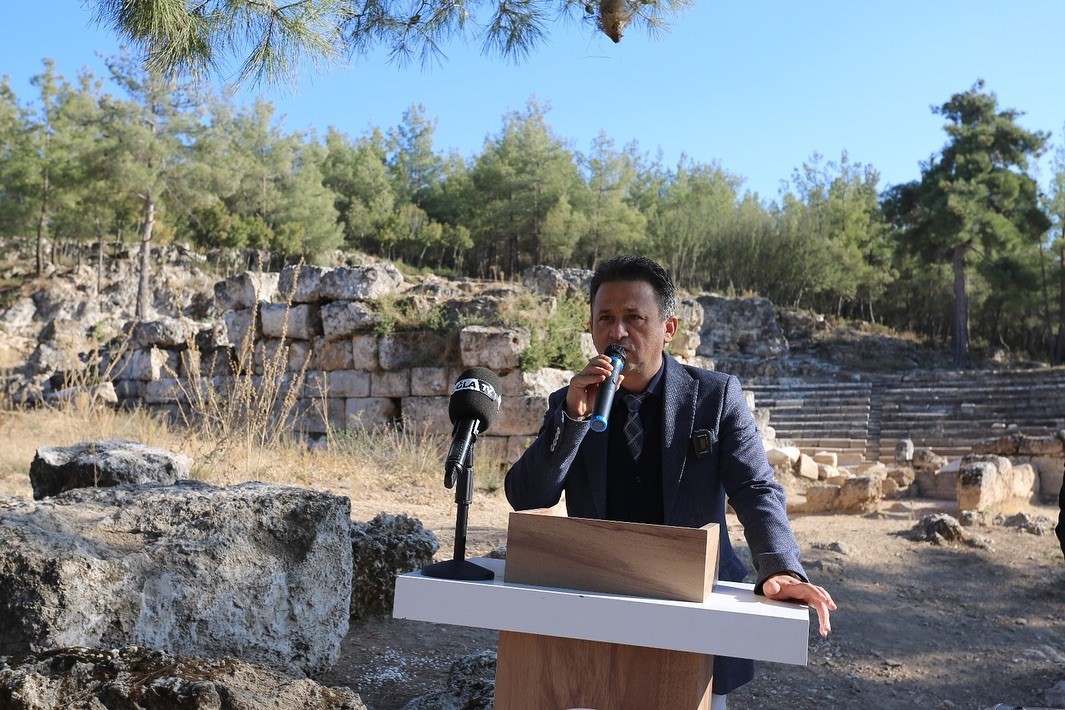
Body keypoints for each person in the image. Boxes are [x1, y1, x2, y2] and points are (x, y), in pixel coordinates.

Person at [504, 255, 836, 706]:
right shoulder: (572, 401)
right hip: (600, 606)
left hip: (695, 612)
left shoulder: (715, 396)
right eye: (605, 319)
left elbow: (756, 488)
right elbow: (527, 495)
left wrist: (779, 566)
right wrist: (571, 420)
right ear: (591, 327)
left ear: (669, 328)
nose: (617, 333)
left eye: (633, 318)